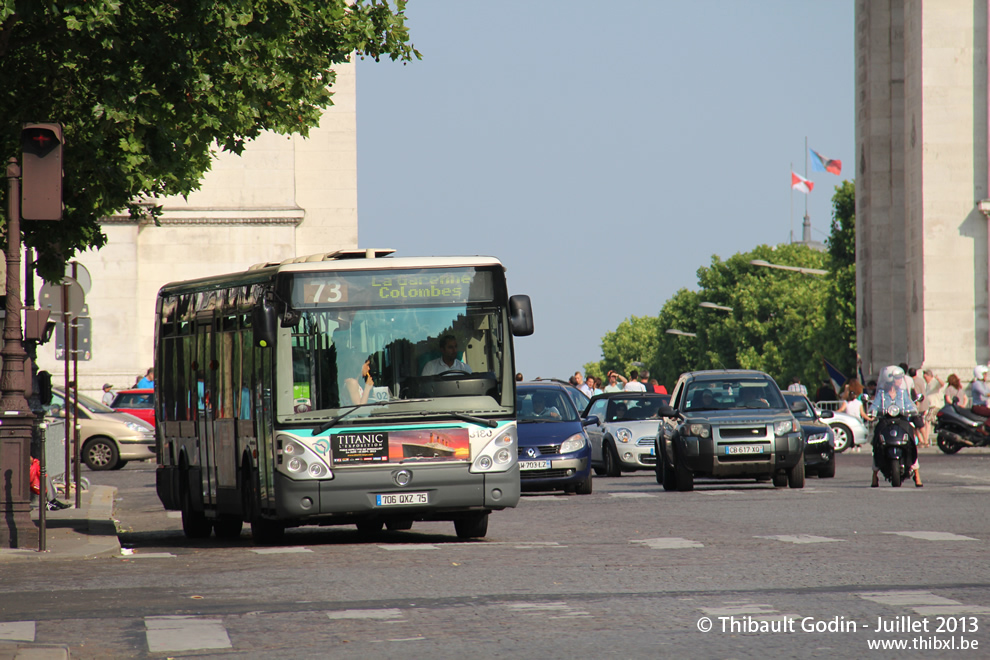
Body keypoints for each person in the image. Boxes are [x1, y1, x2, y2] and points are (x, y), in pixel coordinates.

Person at [867, 366, 922, 487]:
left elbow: (909, 404)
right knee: (876, 441)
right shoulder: (882, 394)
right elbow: (875, 405)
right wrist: (873, 411)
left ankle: (917, 473)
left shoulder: (902, 394)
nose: (900, 380)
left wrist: (913, 410)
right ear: (890, 380)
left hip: (901, 420)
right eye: (897, 378)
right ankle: (874, 474)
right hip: (885, 420)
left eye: (900, 378)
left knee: (912, 440)